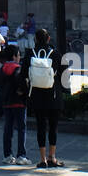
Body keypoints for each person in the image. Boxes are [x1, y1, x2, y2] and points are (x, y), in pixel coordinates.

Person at [28, 28, 63, 167]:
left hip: (37, 94)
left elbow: (24, 74)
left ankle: (42, 159)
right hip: (53, 94)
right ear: (48, 39)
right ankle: (52, 157)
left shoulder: (31, 54)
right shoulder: (55, 54)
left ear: (35, 39)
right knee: (53, 126)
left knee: (41, 126)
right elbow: (64, 73)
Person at [0, 44, 31, 165]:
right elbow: (24, 84)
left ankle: (7, 155)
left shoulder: (3, 68)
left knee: (7, 128)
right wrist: (23, 91)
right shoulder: (18, 68)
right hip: (19, 102)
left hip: (7, 102)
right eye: (19, 55)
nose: (19, 57)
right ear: (15, 56)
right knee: (21, 129)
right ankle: (21, 155)